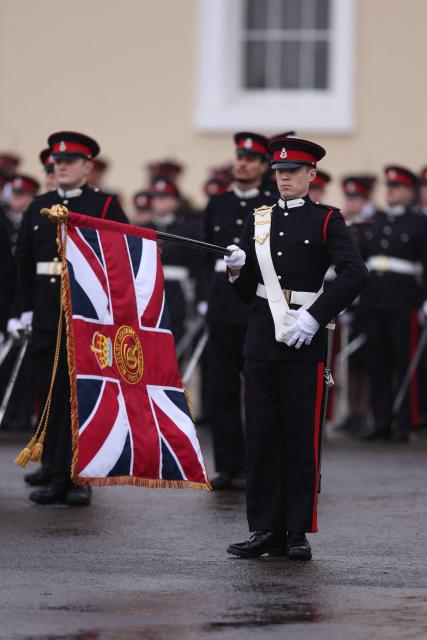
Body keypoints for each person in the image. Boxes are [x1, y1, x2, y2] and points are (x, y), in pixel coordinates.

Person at [224, 136, 368, 559]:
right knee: (263, 437)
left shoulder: (327, 220)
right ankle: (265, 529)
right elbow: (249, 291)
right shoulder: (259, 220)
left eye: (292, 172)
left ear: (311, 176)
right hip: (261, 339)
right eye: (279, 172)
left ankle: (296, 532)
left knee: (300, 437)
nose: (284, 178)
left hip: (304, 338)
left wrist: (315, 316)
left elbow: (354, 275)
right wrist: (236, 272)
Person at [13, 131, 128, 504]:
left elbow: (125, 257)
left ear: (87, 167)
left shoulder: (105, 205)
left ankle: (81, 478)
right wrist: (23, 310)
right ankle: (57, 473)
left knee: (86, 397)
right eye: (56, 163)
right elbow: (24, 265)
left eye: (68, 163)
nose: (60, 167)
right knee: (52, 395)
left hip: (88, 315)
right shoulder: (39, 204)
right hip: (47, 314)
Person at [202, 131, 274, 490]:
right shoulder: (218, 202)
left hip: (254, 303)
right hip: (220, 304)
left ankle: (255, 465)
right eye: (238, 157)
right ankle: (227, 465)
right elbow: (204, 256)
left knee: (258, 389)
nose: (241, 163)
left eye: (249, 159)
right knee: (221, 389)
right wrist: (205, 297)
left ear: (264, 166)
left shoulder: (271, 203)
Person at [359, 165, 427, 442]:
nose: (391, 192)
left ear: (410, 192)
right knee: (377, 362)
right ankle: (381, 420)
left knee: (405, 361)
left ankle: (406, 420)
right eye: (389, 187)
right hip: (374, 300)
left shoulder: (420, 223)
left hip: (404, 301)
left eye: (397, 187)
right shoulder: (376, 221)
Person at [150, 176, 202, 345]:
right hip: (150, 289)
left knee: (175, 336)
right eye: (156, 198)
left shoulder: (187, 228)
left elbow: (197, 265)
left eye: (164, 198)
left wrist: (200, 297)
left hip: (177, 291)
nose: (159, 202)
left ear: (176, 202)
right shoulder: (146, 227)